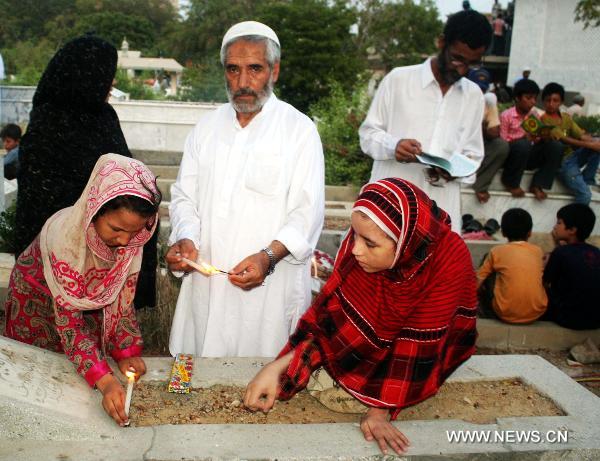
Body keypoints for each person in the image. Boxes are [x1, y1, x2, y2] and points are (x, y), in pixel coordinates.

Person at [244, 178, 478, 455]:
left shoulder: (447, 262)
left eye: (369, 243)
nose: (355, 250)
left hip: (428, 345)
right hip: (379, 337)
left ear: (405, 243)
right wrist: (277, 367)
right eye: (353, 234)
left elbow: (417, 347)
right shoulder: (360, 250)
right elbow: (330, 321)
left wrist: (380, 410)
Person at [166, 21, 325, 357]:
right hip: (205, 281)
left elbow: (307, 214)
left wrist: (268, 257)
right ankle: (181, 405)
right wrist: (186, 239)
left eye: (254, 69)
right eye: (233, 69)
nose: (242, 83)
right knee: (188, 363)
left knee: (254, 380)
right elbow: (184, 196)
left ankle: (240, 410)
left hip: (267, 288)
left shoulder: (299, 130)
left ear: (274, 71)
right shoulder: (206, 128)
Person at [4, 154, 161, 426]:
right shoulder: (65, 242)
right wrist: (106, 380)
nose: (125, 241)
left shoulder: (129, 240)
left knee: (80, 381)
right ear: (95, 209)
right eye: (116, 229)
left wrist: (125, 351)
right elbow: (71, 325)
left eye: (133, 232)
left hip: (77, 309)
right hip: (37, 303)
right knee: (42, 384)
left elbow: (122, 300)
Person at [14, 35, 158, 309]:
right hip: (58, 252)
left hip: (105, 250)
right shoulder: (50, 121)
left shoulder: (103, 117)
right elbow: (42, 199)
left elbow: (125, 177)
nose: (112, 83)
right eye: (108, 75)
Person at [359, 10, 492, 233]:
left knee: (437, 267)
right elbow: (368, 135)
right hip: (390, 206)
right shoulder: (398, 80)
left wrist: (455, 170)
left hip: (440, 211)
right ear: (441, 42)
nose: (462, 70)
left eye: (472, 64)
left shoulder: (473, 95)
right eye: (457, 58)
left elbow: (474, 154)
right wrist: (395, 146)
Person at [477, 208, 547, 323]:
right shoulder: (538, 251)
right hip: (537, 313)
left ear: (503, 232)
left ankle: (485, 312)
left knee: (488, 264)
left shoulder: (497, 251)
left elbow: (477, 282)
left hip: (504, 313)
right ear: (529, 233)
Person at [499, 78, 564, 200]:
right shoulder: (506, 115)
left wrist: (543, 137)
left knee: (556, 146)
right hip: (512, 157)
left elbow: (537, 138)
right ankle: (511, 183)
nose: (533, 102)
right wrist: (523, 138)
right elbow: (502, 144)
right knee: (523, 145)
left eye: (535, 98)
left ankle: (538, 184)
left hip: (528, 155)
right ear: (518, 98)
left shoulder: (533, 115)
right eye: (528, 98)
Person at [539, 82, 600, 204]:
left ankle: (588, 179)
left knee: (598, 143)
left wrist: (594, 141)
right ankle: (575, 221)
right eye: (548, 100)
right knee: (585, 196)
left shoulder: (565, 117)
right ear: (543, 101)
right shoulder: (543, 120)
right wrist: (591, 145)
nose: (551, 104)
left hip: (573, 157)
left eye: (555, 101)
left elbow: (581, 135)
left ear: (561, 102)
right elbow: (563, 139)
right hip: (562, 163)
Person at [543, 204, 600, 330]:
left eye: (559, 223)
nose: (554, 227)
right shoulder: (596, 252)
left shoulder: (560, 253)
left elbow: (545, 283)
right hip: (596, 321)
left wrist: (547, 264)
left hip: (569, 319)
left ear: (572, 230)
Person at [467, 68, 509, 203]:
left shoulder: (488, 102)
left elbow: (494, 133)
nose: (480, 92)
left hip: (479, 141)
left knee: (501, 145)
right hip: (459, 143)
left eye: (482, 89)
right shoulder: (461, 99)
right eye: (477, 88)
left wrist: (481, 122)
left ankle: (480, 184)